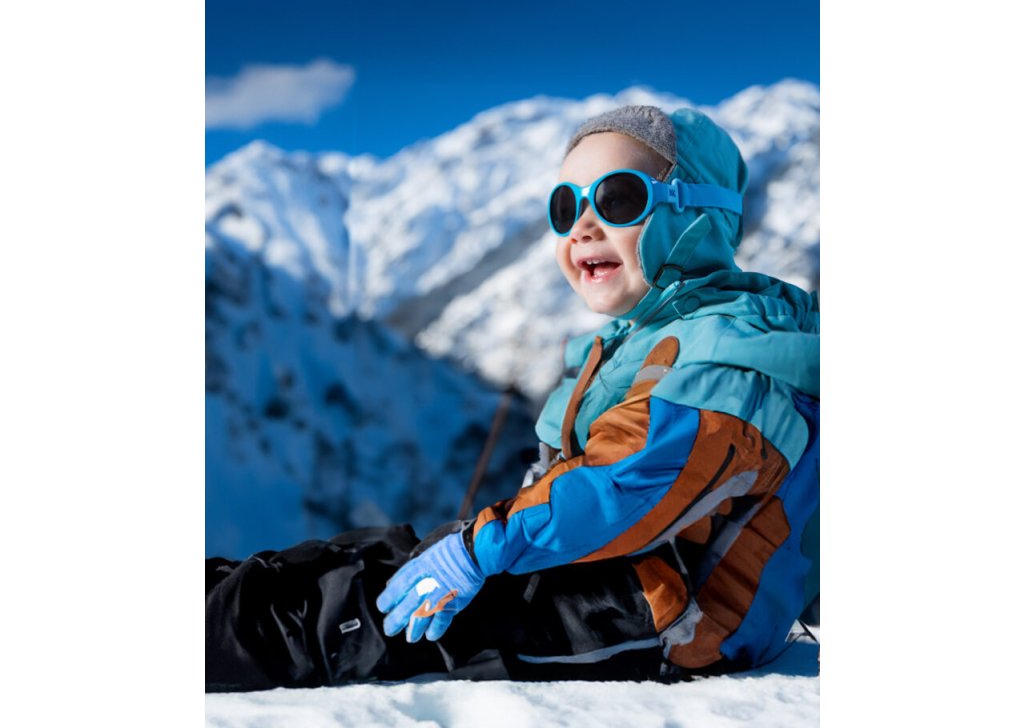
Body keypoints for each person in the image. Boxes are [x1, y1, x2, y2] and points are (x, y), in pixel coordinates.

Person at [206, 105, 820, 692]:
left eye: (618, 199)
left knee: (358, 613)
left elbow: (621, 485)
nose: (583, 225)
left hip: (670, 618)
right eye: (566, 206)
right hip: (624, 574)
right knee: (373, 561)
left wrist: (478, 549)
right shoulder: (655, 338)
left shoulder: (727, 360)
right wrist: (473, 544)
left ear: (696, 216)